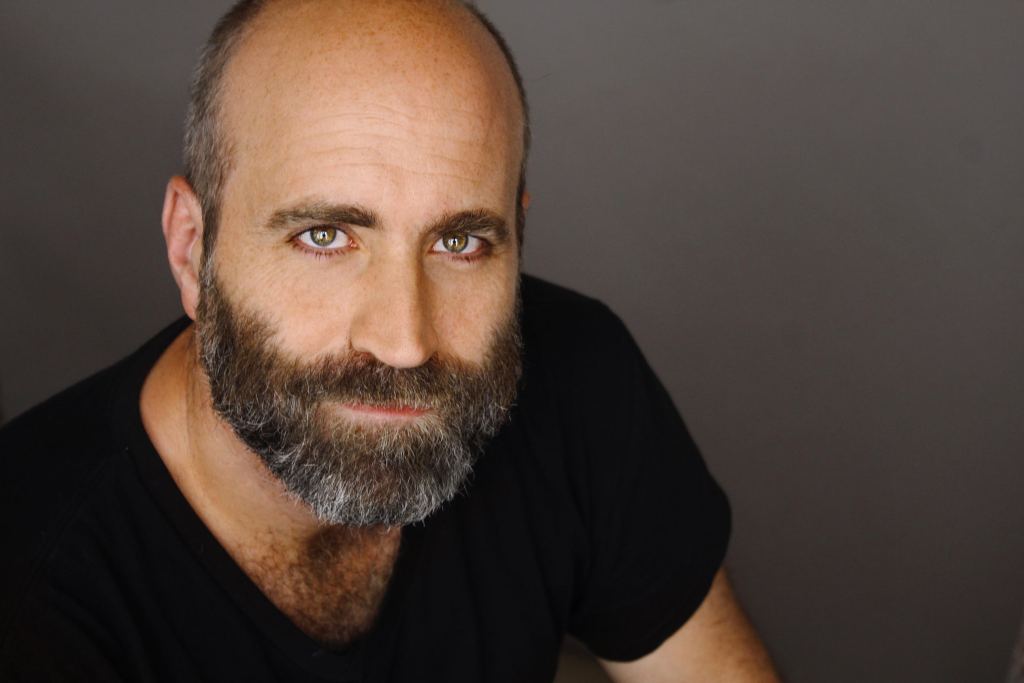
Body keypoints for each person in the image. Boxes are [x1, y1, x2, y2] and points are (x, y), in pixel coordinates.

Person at [0, 1, 781, 680]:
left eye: (459, 243)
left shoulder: (579, 378)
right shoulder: (36, 598)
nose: (405, 342)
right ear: (190, 249)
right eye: (325, 236)